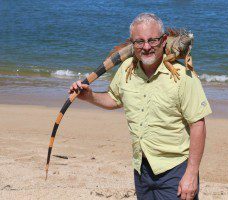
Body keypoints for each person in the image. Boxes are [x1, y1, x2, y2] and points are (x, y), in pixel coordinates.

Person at [69, 13, 212, 200]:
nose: (146, 47)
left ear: (163, 40)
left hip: (175, 171)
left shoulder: (183, 76)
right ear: (132, 43)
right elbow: (114, 99)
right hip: (142, 169)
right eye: (139, 41)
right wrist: (89, 96)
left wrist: (191, 174)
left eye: (152, 40)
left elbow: (198, 125)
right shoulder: (127, 69)